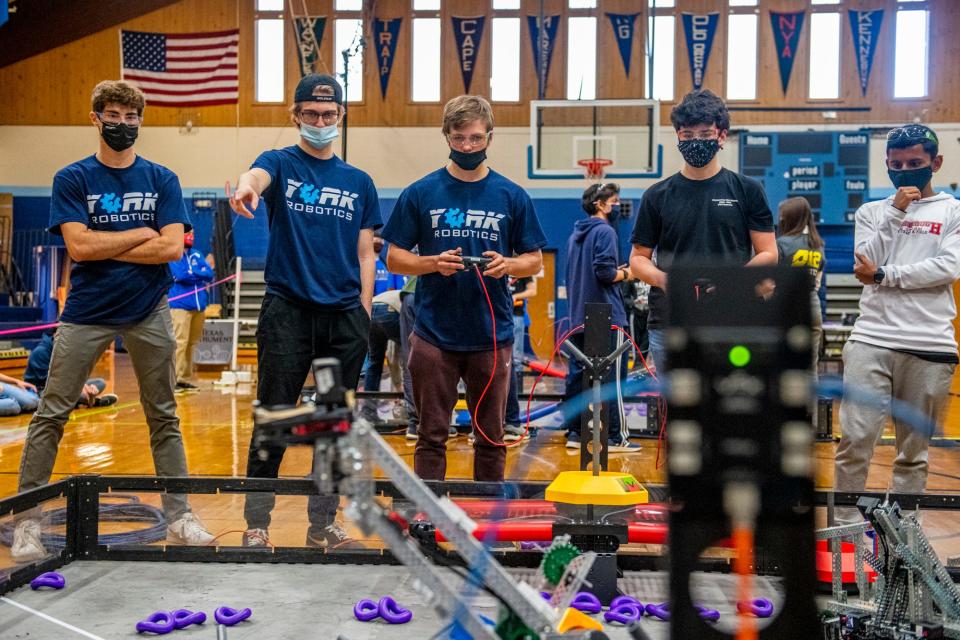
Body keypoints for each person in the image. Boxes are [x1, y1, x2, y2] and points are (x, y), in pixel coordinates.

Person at [13, 80, 212, 562]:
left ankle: (181, 514)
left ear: (140, 121)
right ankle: (27, 523)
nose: (122, 124)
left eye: (131, 116)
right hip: (86, 311)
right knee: (51, 412)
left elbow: (170, 248)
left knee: (163, 414)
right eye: (114, 115)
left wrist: (115, 238)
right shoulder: (73, 178)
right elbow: (79, 247)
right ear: (95, 117)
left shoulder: (162, 178)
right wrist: (141, 230)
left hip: (149, 308)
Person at [228, 74, 380, 548]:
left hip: (343, 317)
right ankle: (257, 526)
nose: (320, 122)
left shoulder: (358, 182)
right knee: (272, 418)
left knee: (334, 427)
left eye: (328, 115)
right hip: (287, 312)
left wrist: (364, 309)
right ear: (295, 116)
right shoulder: (281, 163)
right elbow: (256, 176)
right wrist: (248, 188)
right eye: (311, 115)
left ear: (341, 117)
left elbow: (365, 253)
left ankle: (322, 525)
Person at [382, 95, 546, 482]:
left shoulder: (512, 195)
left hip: (491, 334)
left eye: (475, 138)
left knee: (491, 437)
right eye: (459, 138)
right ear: (446, 136)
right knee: (430, 435)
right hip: (433, 334)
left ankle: (487, 523)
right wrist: (432, 264)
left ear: (490, 136)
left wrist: (509, 264)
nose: (468, 146)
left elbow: (534, 260)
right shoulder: (421, 193)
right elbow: (393, 258)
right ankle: (428, 521)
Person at [834, 124, 960, 523]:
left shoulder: (953, 210)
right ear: (886, 165)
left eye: (915, 163)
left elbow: (948, 267)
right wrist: (895, 212)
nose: (905, 171)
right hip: (871, 338)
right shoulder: (872, 212)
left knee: (913, 453)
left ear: (935, 164)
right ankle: (845, 536)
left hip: (930, 344)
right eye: (896, 164)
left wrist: (886, 275)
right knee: (854, 440)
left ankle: (902, 540)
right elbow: (862, 264)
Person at [629, 89, 777, 371]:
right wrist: (665, 281)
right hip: (670, 322)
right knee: (676, 412)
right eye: (687, 135)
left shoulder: (747, 190)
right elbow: (637, 259)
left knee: (731, 405)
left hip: (732, 318)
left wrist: (731, 281)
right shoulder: (656, 195)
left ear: (721, 136)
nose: (696, 141)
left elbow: (769, 253)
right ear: (677, 137)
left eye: (705, 133)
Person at [562, 183, 640, 452]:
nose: (618, 206)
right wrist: (630, 273)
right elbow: (606, 273)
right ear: (601, 204)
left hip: (578, 316)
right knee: (614, 380)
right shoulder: (605, 231)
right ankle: (617, 437)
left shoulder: (575, 236)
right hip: (607, 315)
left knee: (579, 378)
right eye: (615, 201)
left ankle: (575, 433)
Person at [776, 196, 825, 373]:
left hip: (788, 307)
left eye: (782, 216)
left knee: (784, 369)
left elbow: (773, 280)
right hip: (813, 306)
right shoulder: (818, 245)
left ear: (789, 218)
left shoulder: (782, 243)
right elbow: (818, 277)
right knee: (810, 369)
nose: (780, 219)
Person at [23, 330, 118, 409]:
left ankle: (83, 399)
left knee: (100, 382)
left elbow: (75, 373)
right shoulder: (40, 352)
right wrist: (78, 387)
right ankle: (95, 401)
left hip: (66, 386)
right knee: (76, 395)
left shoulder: (67, 350)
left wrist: (84, 386)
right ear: (56, 334)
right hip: (42, 389)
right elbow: (51, 382)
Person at [169, 230, 214, 392]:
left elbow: (209, 274)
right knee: (179, 343)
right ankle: (173, 379)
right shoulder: (173, 253)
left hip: (199, 306)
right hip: (180, 305)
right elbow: (180, 275)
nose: (190, 236)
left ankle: (183, 378)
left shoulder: (196, 254)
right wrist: (198, 274)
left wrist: (193, 273)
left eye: (193, 233)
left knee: (191, 343)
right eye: (187, 233)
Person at [503, 275, 536, 442]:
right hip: (497, 316)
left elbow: (533, 290)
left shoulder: (523, 269)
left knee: (514, 361)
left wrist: (516, 296)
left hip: (515, 316)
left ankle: (511, 421)